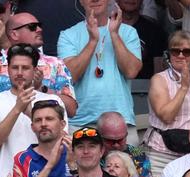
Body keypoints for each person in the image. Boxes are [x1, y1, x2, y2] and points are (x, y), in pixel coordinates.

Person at [0, 45, 68, 177]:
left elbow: (62, 143)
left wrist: (30, 114)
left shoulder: (54, 101)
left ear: (35, 70)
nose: (19, 73)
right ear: (7, 70)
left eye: (25, 68)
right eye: (15, 68)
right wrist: (17, 109)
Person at [0, 11, 78, 117]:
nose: (39, 30)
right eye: (32, 27)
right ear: (14, 34)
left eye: (39, 26)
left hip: (46, 132)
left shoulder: (56, 64)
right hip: (4, 132)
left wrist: (42, 88)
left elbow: (71, 110)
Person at [57, 0, 142, 128]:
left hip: (120, 123)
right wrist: (93, 41)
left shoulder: (128, 32)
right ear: (81, 1)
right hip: (79, 123)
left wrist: (114, 34)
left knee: (130, 149)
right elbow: (69, 77)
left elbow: (131, 71)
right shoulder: (68, 35)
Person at [144, 31, 190, 176]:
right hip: (161, 151)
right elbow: (166, 116)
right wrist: (184, 87)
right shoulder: (159, 79)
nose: (181, 55)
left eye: (187, 52)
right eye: (176, 51)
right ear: (169, 54)